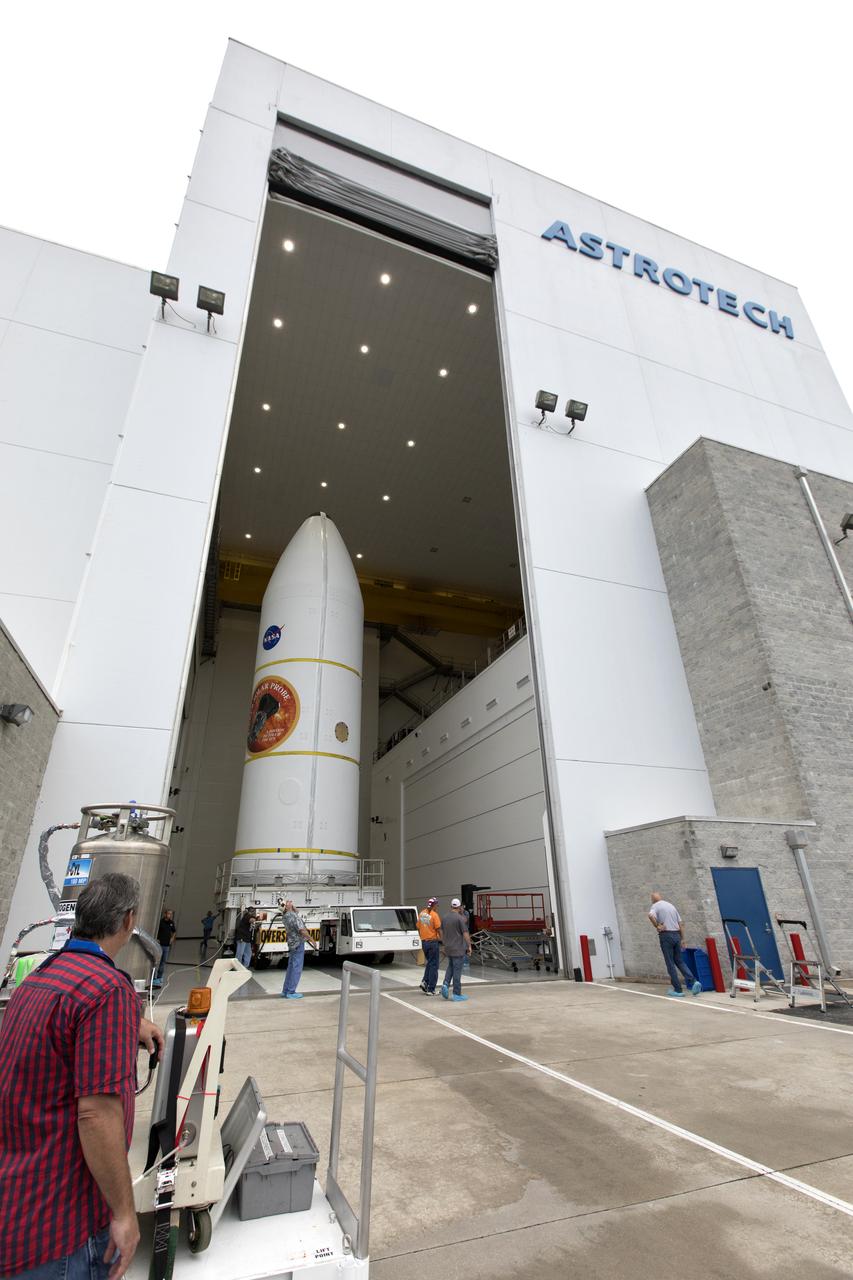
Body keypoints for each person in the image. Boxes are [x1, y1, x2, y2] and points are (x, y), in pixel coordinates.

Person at [0, 872, 164, 1280]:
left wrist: (131, 1022)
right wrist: (125, 1214)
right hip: (62, 1233)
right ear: (129, 921)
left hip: (17, 1207)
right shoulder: (107, 991)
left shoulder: (36, 980)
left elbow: (61, 1033)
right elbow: (96, 1116)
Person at [648, 891, 702, 998]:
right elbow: (680, 923)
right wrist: (683, 939)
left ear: (653, 899)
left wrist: (657, 925)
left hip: (666, 936)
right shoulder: (671, 906)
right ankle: (694, 981)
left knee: (670, 963)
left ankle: (678, 990)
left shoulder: (655, 906)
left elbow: (650, 915)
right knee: (679, 961)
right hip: (677, 936)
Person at [440, 898, 472, 1002]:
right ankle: (456, 994)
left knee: (451, 967)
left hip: (448, 947)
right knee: (457, 970)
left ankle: (445, 984)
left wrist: (444, 944)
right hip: (458, 948)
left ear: (451, 906)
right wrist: (469, 946)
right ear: (459, 907)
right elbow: (465, 933)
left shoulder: (444, 917)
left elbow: (441, 932)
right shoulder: (460, 919)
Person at [281, 900, 310, 1000]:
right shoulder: (293, 916)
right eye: (289, 902)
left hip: (292, 944)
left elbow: (295, 913)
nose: (292, 902)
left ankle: (285, 990)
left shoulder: (285, 917)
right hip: (298, 944)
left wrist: (294, 910)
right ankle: (291, 991)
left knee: (291, 967)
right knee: (296, 968)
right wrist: (312, 940)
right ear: (286, 907)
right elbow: (302, 930)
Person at [417, 897, 443, 995]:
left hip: (424, 943)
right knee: (434, 966)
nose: (437, 907)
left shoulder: (422, 913)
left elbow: (418, 926)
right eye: (437, 905)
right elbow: (439, 929)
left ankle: (425, 982)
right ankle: (431, 989)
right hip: (432, 943)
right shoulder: (434, 915)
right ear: (434, 905)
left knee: (430, 963)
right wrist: (443, 941)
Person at [153, 907, 176, 987]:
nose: (169, 915)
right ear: (165, 914)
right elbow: (156, 931)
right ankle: (154, 978)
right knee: (157, 961)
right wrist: (157, 939)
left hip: (166, 945)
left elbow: (174, 931)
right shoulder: (161, 922)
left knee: (163, 961)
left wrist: (172, 939)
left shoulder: (171, 923)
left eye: (171, 914)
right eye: (168, 913)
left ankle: (159, 977)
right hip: (159, 945)